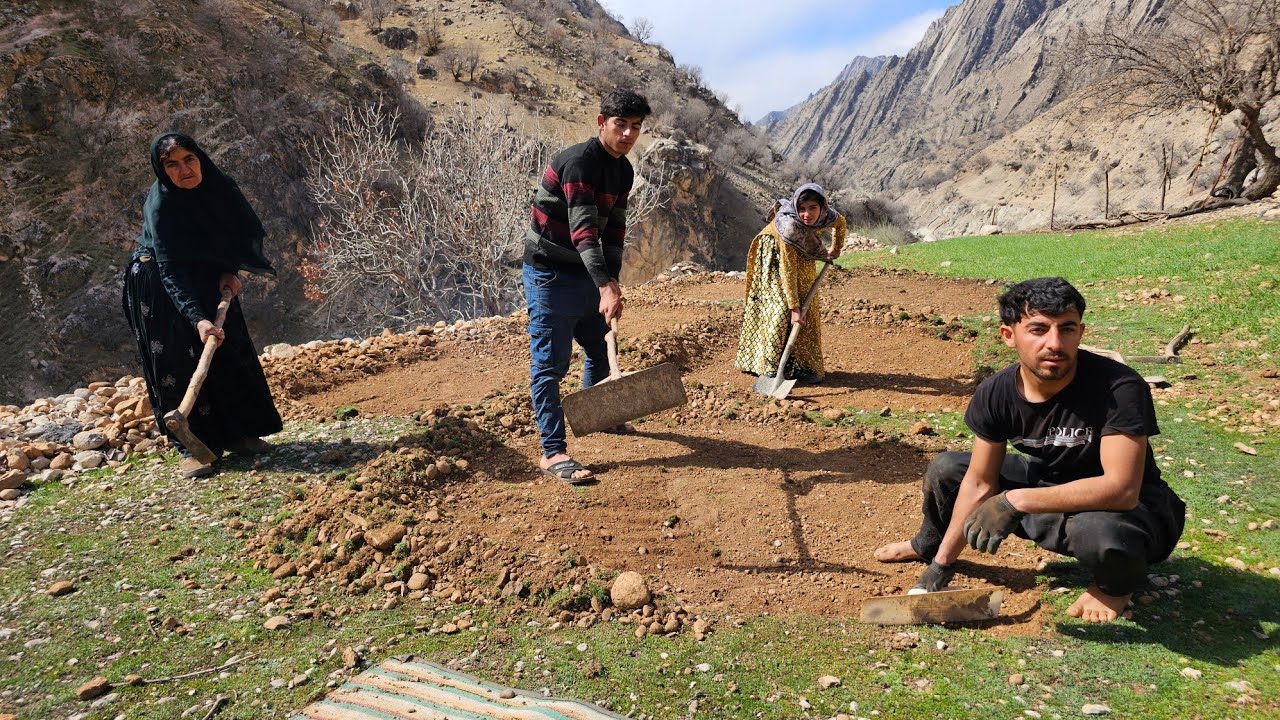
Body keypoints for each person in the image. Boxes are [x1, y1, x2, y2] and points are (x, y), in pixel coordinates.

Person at [874, 277, 1186, 623]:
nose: (1055, 343)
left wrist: (1015, 501)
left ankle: (1114, 588)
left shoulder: (1120, 387)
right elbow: (979, 483)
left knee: (1097, 533)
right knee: (948, 469)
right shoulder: (996, 393)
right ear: (1009, 335)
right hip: (1049, 481)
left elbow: (1122, 490)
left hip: (1134, 513)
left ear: (1080, 332)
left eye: (1066, 329)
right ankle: (927, 547)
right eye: (1038, 329)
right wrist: (941, 567)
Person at [122, 133, 283, 478]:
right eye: (172, 165)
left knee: (230, 343)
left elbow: (233, 233)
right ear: (162, 170)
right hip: (159, 280)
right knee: (178, 357)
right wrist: (196, 317)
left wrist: (228, 270)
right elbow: (169, 268)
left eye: (189, 160)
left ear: (201, 158)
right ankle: (194, 446)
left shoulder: (219, 188)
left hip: (207, 272)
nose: (184, 170)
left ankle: (240, 433)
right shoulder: (162, 206)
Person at [523, 88, 651, 484]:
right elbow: (583, 233)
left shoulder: (623, 170)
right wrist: (605, 286)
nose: (628, 134)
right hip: (551, 271)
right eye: (620, 125)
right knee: (551, 365)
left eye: (636, 127)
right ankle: (552, 452)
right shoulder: (579, 162)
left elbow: (613, 231)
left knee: (599, 347)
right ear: (601, 123)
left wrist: (610, 282)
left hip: (585, 270)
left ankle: (600, 414)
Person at [735, 183, 846, 384]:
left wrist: (836, 248)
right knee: (779, 308)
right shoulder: (790, 227)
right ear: (796, 207)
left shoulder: (828, 216)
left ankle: (804, 366)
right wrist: (794, 308)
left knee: (807, 304)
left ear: (822, 207)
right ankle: (768, 367)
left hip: (801, 250)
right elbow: (788, 270)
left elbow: (841, 223)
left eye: (812, 208)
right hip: (775, 253)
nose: (807, 214)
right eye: (802, 209)